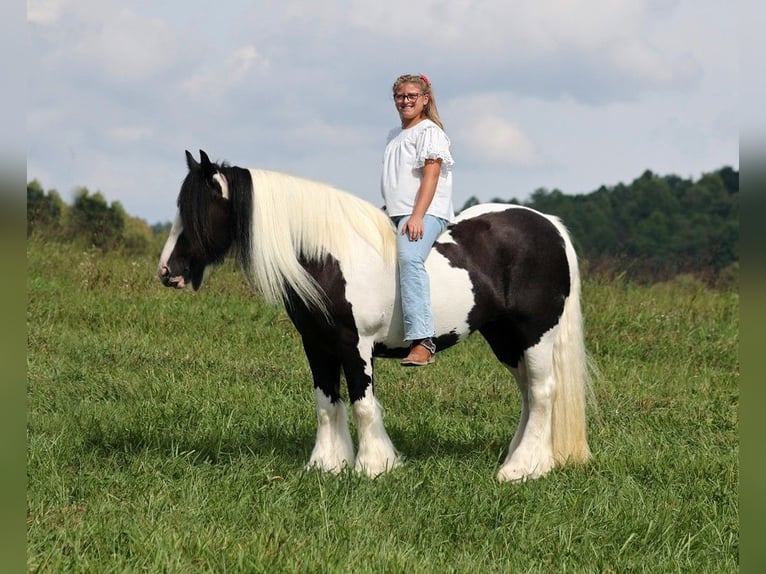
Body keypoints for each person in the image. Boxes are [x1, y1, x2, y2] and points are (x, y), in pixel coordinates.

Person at [380, 73, 455, 366]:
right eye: (400, 96)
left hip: (426, 212)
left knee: (410, 258)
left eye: (412, 96)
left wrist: (418, 216)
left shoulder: (430, 132)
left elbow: (431, 174)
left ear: (425, 99)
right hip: (396, 212)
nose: (405, 101)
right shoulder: (393, 134)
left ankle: (423, 339)